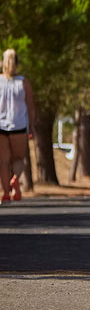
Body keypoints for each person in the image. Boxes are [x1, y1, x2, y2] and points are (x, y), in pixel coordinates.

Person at [0, 49, 36, 203]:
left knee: (3, 160)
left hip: (1, 126)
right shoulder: (23, 82)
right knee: (19, 159)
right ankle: (15, 179)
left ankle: (6, 193)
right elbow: (30, 106)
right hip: (19, 125)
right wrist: (31, 126)